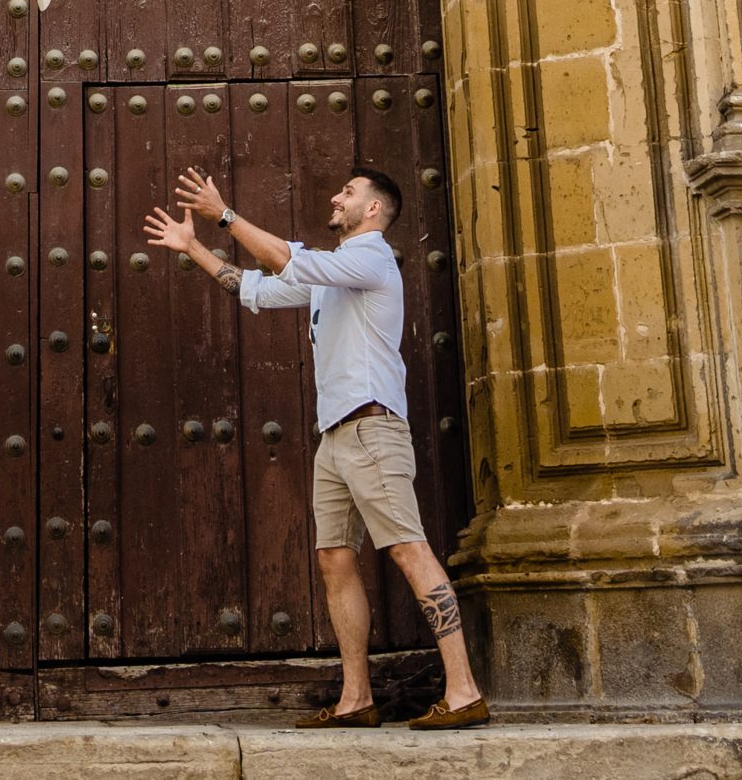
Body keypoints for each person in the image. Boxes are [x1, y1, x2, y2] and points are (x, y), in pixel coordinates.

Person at [145, 165, 490, 731]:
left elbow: (284, 259)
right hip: (336, 435)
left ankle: (464, 690)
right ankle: (357, 699)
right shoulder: (333, 273)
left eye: (349, 192)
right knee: (334, 561)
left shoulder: (372, 257)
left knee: (407, 548)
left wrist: (224, 215)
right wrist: (192, 247)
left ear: (373, 210)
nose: (336, 196)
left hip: (372, 427)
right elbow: (255, 288)